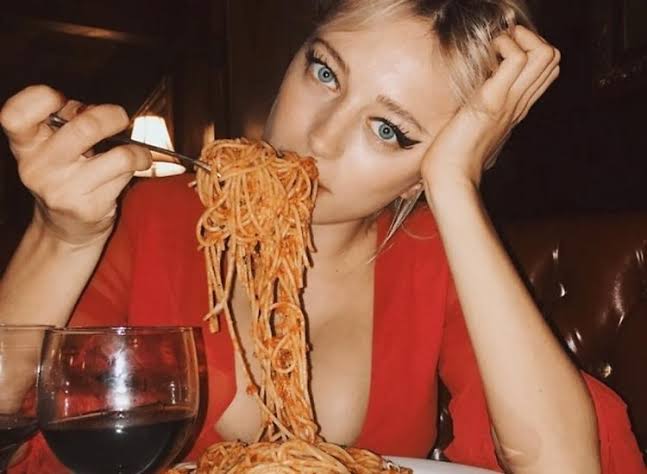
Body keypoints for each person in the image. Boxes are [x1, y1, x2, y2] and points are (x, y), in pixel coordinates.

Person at [0, 0, 644, 472]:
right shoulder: (141, 217)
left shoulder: (432, 254)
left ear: (418, 176)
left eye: (389, 131)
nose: (321, 137)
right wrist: (61, 235)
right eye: (326, 72)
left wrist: (453, 185)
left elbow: (564, 463)